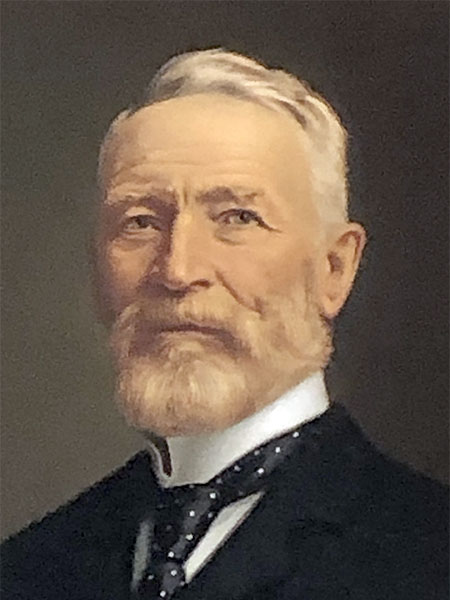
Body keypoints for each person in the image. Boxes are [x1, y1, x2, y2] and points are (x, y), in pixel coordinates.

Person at [1, 49, 448, 600]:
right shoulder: (30, 567)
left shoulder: (429, 551)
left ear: (333, 269)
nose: (178, 270)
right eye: (140, 222)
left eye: (238, 218)